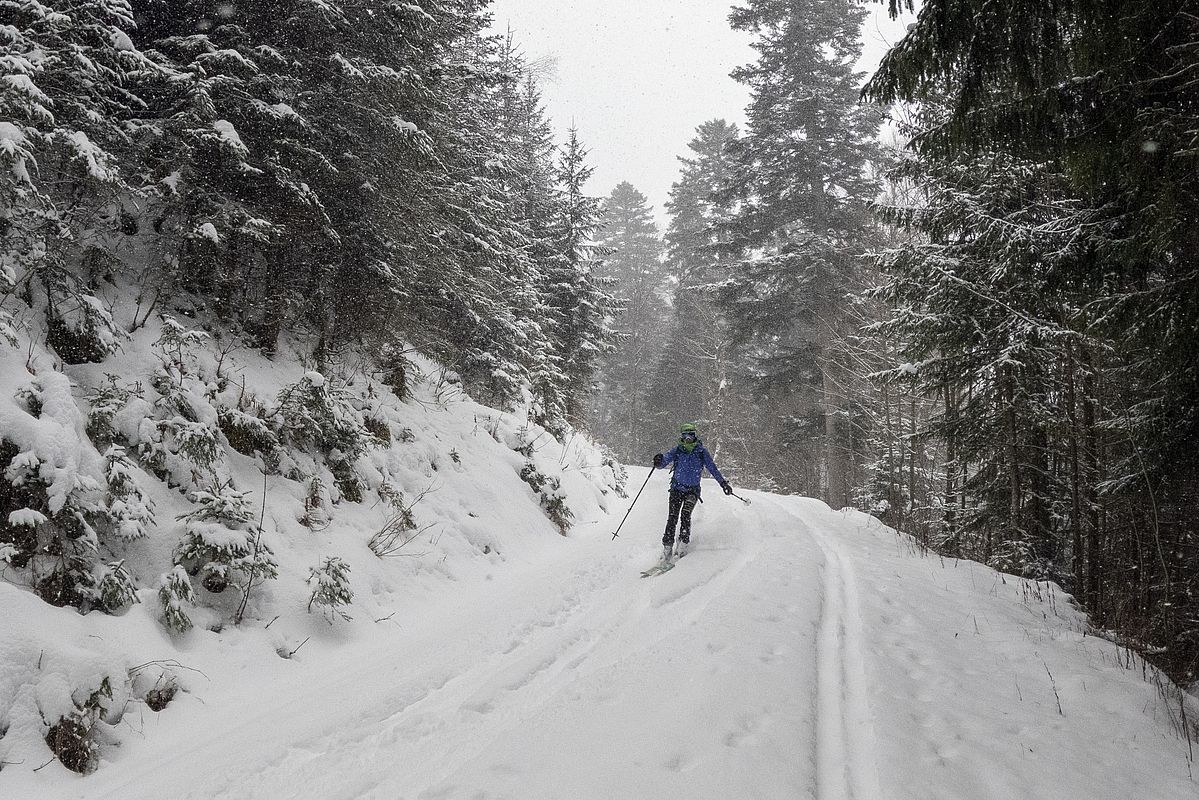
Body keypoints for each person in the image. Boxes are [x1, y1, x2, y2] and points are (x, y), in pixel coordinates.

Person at [651, 422, 733, 561]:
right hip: (676, 488)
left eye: (691, 435)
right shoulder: (677, 450)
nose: (688, 438)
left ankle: (683, 544)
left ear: (695, 436)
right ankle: (667, 546)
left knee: (685, 514)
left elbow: (712, 468)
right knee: (672, 517)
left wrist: (723, 483)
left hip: (692, 491)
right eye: (685, 435)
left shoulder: (701, 452)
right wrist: (658, 461)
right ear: (682, 436)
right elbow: (663, 463)